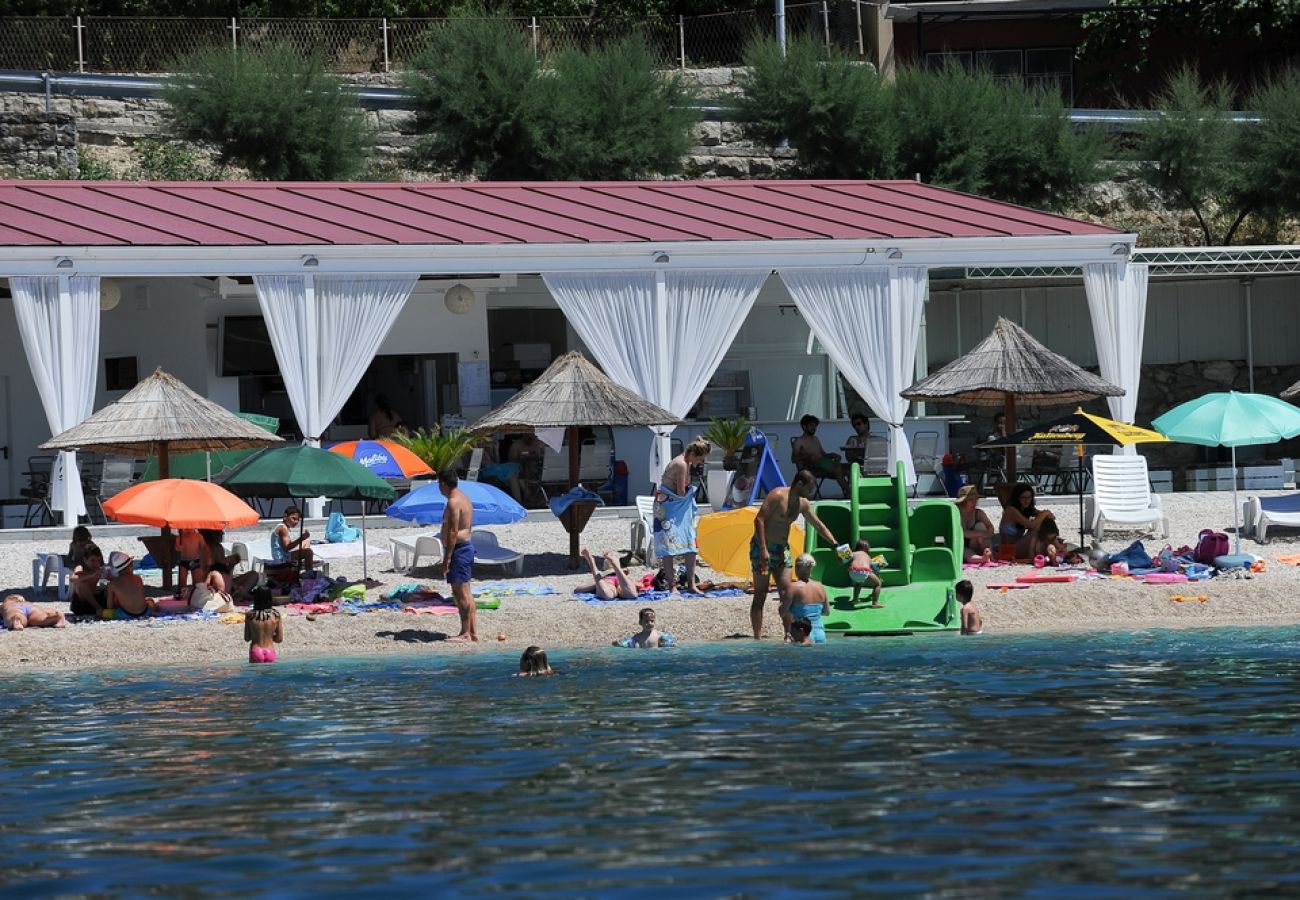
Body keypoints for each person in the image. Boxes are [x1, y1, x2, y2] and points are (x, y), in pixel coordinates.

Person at [750, 470, 840, 640]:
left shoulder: (803, 504)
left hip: (782, 550)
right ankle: (757, 638)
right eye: (809, 488)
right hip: (762, 549)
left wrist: (835, 544)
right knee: (760, 594)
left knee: (786, 592)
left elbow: (819, 525)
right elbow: (759, 520)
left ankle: (788, 634)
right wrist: (763, 549)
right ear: (799, 484)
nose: (811, 492)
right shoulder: (776, 495)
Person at [653, 438, 711, 594]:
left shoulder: (686, 462)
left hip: (676, 507)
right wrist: (691, 489)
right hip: (669, 507)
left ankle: (691, 585)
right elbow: (680, 492)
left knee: (691, 544)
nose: (700, 462)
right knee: (668, 548)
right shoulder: (681, 464)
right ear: (693, 454)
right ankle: (673, 586)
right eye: (700, 459)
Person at [438, 469, 477, 642]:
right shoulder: (465, 497)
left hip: (460, 549)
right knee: (466, 591)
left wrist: (447, 558)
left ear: (443, 484)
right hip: (466, 546)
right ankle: (473, 631)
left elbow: (453, 531)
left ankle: (465, 633)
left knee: (459, 592)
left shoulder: (453, 502)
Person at [791, 414, 850, 496]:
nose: (814, 428)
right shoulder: (799, 441)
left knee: (850, 468)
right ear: (804, 427)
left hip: (824, 463)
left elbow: (823, 455)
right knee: (838, 468)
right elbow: (793, 459)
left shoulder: (815, 439)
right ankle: (850, 492)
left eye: (815, 426)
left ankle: (848, 492)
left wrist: (833, 455)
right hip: (812, 467)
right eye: (811, 426)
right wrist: (807, 456)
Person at [999, 483, 1055, 560]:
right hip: (1009, 549)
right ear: (1017, 498)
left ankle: (1053, 544)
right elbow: (1031, 525)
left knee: (1043, 523)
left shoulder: (1026, 509)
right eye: (1023, 498)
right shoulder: (1011, 510)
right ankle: (1053, 544)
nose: (1027, 500)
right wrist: (1045, 514)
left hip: (1019, 545)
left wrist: (1047, 515)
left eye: (1029, 497)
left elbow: (1045, 516)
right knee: (1037, 529)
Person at [787, 553, 830, 643]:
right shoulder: (820, 586)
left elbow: (782, 612)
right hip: (820, 633)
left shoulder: (793, 588)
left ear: (797, 568)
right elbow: (826, 612)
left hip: (802, 634)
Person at [105, 551, 154, 619]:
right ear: (130, 566)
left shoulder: (112, 584)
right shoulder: (138, 578)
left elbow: (110, 607)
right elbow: (141, 597)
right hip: (145, 612)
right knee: (150, 601)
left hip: (126, 614)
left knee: (102, 612)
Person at [955, 485, 995, 563]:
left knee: (980, 525)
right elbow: (962, 533)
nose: (974, 502)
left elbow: (991, 528)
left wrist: (986, 534)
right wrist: (981, 534)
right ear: (963, 501)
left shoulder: (978, 513)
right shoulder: (955, 513)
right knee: (965, 552)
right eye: (971, 500)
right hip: (962, 545)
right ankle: (982, 559)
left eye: (975, 499)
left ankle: (987, 553)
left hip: (978, 544)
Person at [245, 588, 284, 663]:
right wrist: (269, 636)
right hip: (270, 650)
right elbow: (279, 639)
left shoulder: (250, 615)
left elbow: (247, 638)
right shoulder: (276, 615)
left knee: (255, 674)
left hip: (256, 651)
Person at [69, 543, 108, 618]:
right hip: (80, 604)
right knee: (82, 583)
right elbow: (72, 578)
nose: (95, 563)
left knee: (110, 587)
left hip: (93, 600)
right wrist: (91, 574)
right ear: (85, 560)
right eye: (92, 560)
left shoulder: (98, 569)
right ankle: (98, 608)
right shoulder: (81, 567)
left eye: (98, 560)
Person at [271, 506, 314, 572]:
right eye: (293, 518)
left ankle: (303, 563)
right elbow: (287, 547)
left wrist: (303, 539)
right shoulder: (282, 528)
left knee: (306, 542)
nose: (296, 522)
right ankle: (309, 572)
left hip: (283, 554)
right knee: (309, 552)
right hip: (281, 558)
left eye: (298, 520)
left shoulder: (283, 526)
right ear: (285, 517)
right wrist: (301, 538)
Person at [847, 539, 884, 608]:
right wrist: (878, 577)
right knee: (878, 584)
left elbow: (844, 560)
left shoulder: (853, 553)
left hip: (852, 571)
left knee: (859, 582)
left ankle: (855, 599)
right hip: (864, 571)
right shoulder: (868, 557)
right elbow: (874, 570)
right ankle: (875, 602)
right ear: (866, 548)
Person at [2, 594, 67, 629]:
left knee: (14, 613)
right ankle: (57, 616)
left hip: (17, 609)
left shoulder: (7, 603)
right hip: (31, 609)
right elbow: (45, 609)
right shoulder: (27, 603)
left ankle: (17, 620)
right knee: (43, 616)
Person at [175, 527, 206, 599]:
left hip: (195, 560)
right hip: (184, 561)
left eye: (190, 528)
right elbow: (176, 548)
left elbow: (203, 548)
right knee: (182, 581)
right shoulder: (180, 537)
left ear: (194, 527)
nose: (188, 529)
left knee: (197, 582)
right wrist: (179, 547)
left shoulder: (198, 536)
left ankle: (196, 595)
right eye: (186, 528)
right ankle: (183, 595)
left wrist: (204, 560)